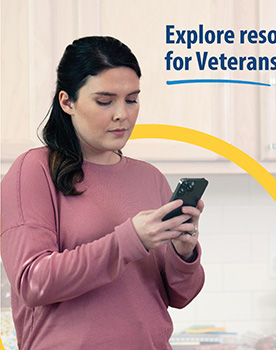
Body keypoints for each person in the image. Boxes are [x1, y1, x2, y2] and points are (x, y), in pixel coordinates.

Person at [0, 36, 205, 350]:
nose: (122, 114)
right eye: (105, 101)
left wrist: (183, 252)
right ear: (67, 101)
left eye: (132, 99)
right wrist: (131, 239)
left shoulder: (149, 177)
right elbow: (32, 282)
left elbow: (180, 295)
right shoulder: (34, 170)